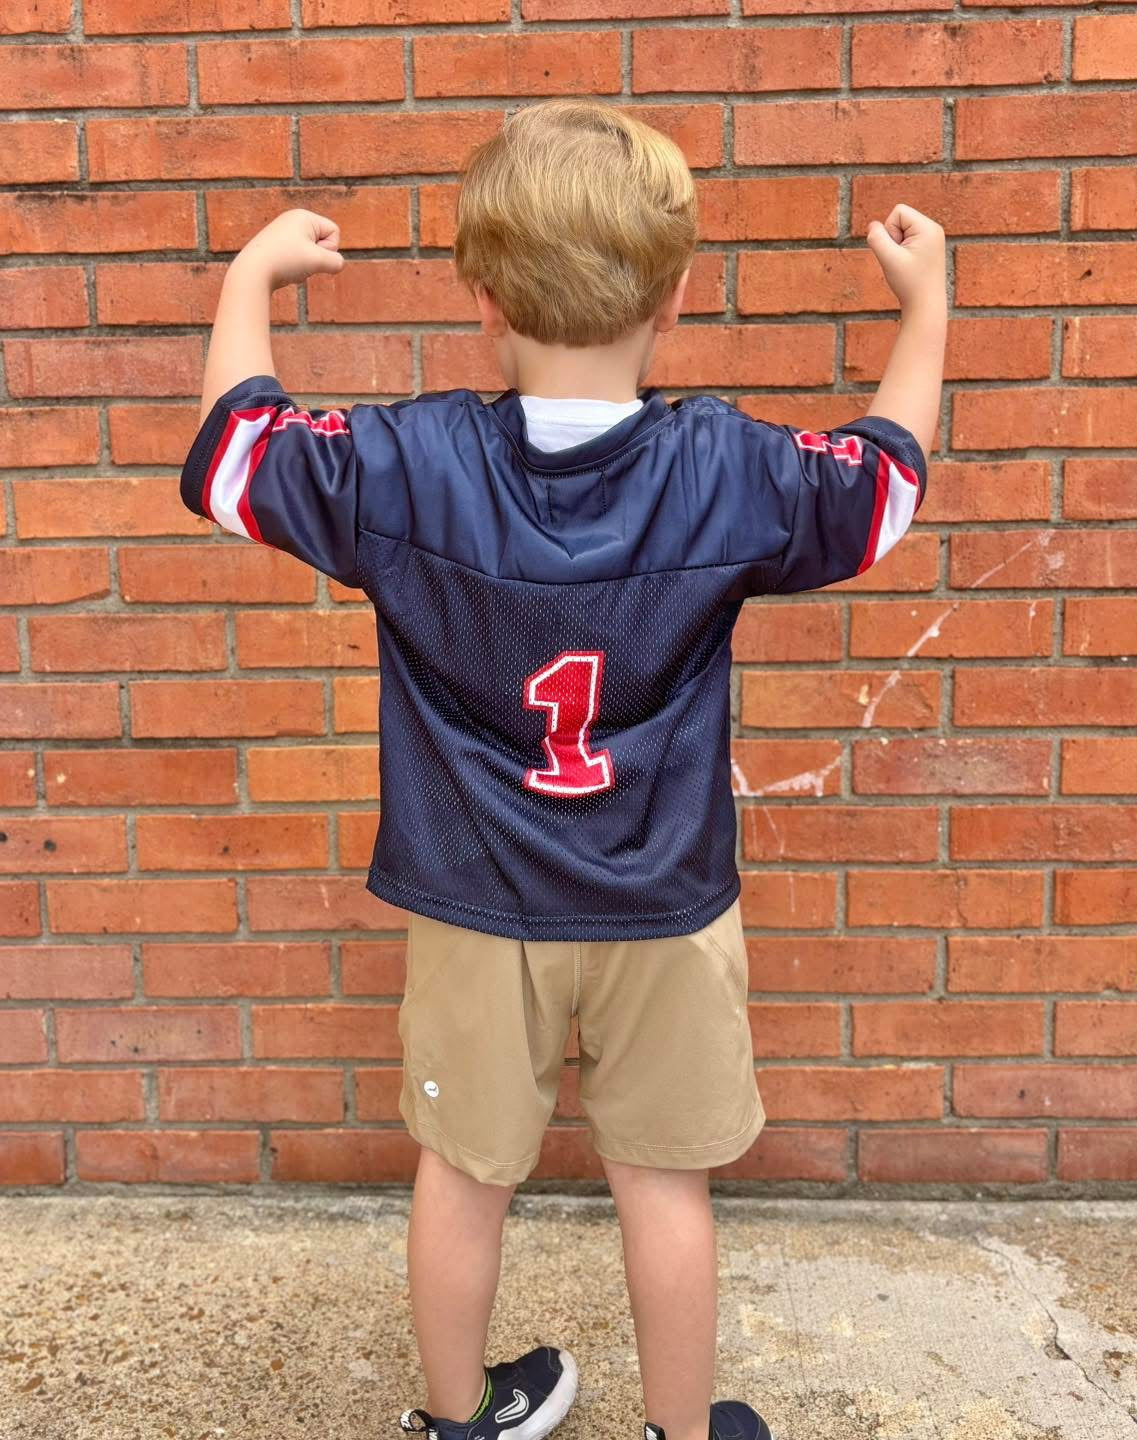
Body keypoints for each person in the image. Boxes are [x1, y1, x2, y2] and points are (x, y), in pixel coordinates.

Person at [180, 97, 946, 1440]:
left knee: (462, 1176)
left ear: (482, 294)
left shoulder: (402, 466)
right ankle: (675, 1428)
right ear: (678, 290)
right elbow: (882, 484)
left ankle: (459, 1416)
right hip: (663, 904)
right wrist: (921, 312)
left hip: (480, 904)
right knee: (664, 1183)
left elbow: (238, 452)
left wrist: (249, 277)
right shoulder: (733, 471)